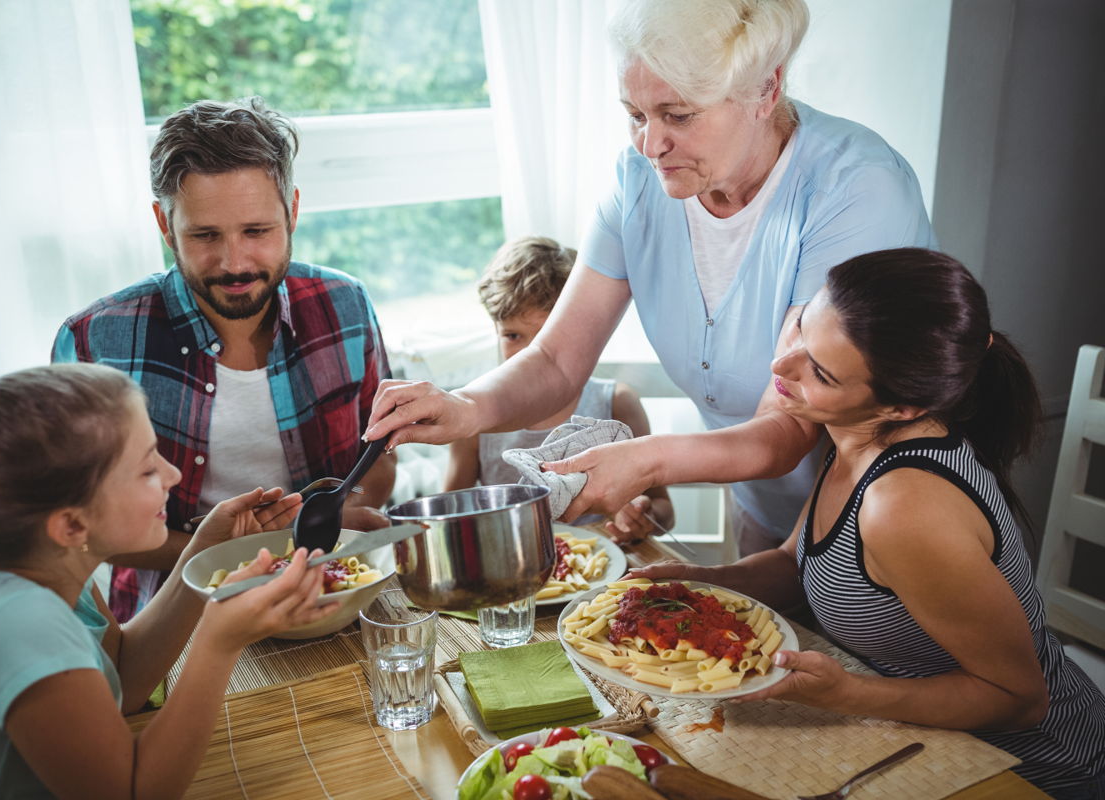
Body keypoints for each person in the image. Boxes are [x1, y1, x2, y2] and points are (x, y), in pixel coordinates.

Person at [363, 0, 936, 557]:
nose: (650, 145)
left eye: (678, 115)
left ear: (766, 88)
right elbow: (558, 361)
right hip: (771, 512)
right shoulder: (638, 180)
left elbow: (788, 422)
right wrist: (464, 407)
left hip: (894, 514)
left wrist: (649, 460)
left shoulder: (855, 191)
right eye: (636, 114)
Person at [629, 249, 1105, 798]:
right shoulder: (854, 432)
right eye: (802, 329)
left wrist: (846, 693)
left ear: (899, 407)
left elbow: (1019, 699)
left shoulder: (903, 505)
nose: (782, 368)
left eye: (822, 372)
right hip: (917, 739)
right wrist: (693, 582)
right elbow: (795, 563)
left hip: (1029, 771)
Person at [0, 363, 339, 798]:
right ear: (72, 524)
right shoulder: (18, 625)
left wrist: (202, 554)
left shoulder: (38, 561)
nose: (173, 475)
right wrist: (218, 640)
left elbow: (123, 679)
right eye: (148, 469)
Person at [54, 97, 394, 622]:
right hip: (170, 626)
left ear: (293, 211)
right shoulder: (94, 341)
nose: (235, 262)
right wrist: (239, 553)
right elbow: (80, 528)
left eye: (256, 231)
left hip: (334, 602)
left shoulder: (345, 304)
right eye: (205, 235)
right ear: (165, 227)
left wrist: (343, 515)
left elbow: (379, 457)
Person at [445, 236, 674, 542]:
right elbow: (448, 517)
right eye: (513, 335)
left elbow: (664, 509)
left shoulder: (616, 404)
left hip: (608, 577)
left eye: (545, 338)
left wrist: (643, 517)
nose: (529, 354)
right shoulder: (475, 422)